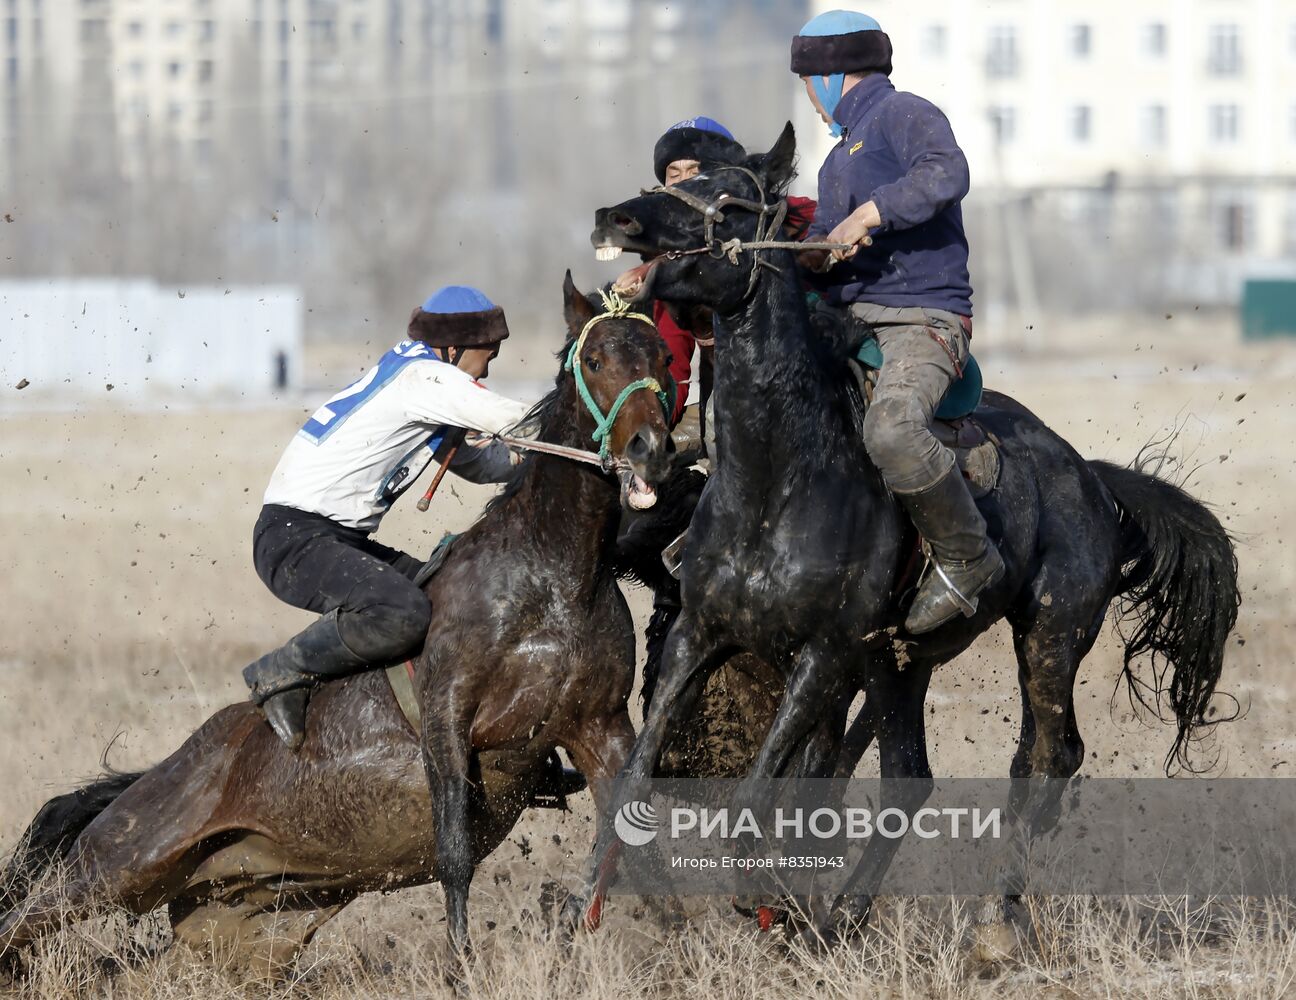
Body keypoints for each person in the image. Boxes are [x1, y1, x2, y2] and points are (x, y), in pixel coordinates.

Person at [243, 286, 531, 749]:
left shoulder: (420, 384)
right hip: (294, 539)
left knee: (452, 601)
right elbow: (512, 417)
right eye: (488, 356)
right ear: (454, 347)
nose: (488, 369)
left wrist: (524, 461)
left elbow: (482, 464)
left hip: (330, 538)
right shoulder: (425, 378)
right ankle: (279, 671)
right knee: (403, 612)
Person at [792, 10, 1003, 633]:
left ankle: (968, 556)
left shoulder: (905, 112)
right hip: (851, 318)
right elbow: (833, 257)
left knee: (890, 431)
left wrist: (868, 215)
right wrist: (812, 254)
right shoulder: (836, 162)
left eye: (809, 84)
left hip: (923, 319)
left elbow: (947, 173)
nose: (810, 99)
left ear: (830, 77)